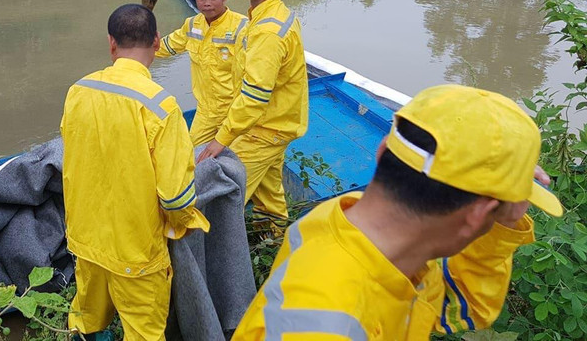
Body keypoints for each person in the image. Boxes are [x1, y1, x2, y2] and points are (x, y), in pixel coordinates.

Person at [232, 84, 564, 340]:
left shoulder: (345, 223)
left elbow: (459, 307)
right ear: (479, 216)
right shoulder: (322, 326)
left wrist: (497, 224)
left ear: (382, 151)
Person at [61, 4, 211, 340]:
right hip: (135, 251)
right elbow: (175, 196)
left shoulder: (78, 91)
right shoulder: (161, 106)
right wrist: (184, 223)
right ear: (157, 41)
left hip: (86, 239)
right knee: (144, 332)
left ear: (111, 43)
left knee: (86, 321)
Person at [197, 0, 308, 231]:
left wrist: (221, 138)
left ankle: (218, 267)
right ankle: (275, 242)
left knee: (217, 203)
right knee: (270, 199)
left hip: (263, 131)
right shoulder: (265, 17)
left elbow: (255, 96)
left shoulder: (268, 31)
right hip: (273, 125)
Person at [156, 0, 249, 146]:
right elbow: (167, 46)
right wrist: (141, 43)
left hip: (234, 111)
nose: (206, 3)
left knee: (237, 160)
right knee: (192, 157)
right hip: (206, 112)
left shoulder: (242, 27)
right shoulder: (192, 25)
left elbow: (255, 71)